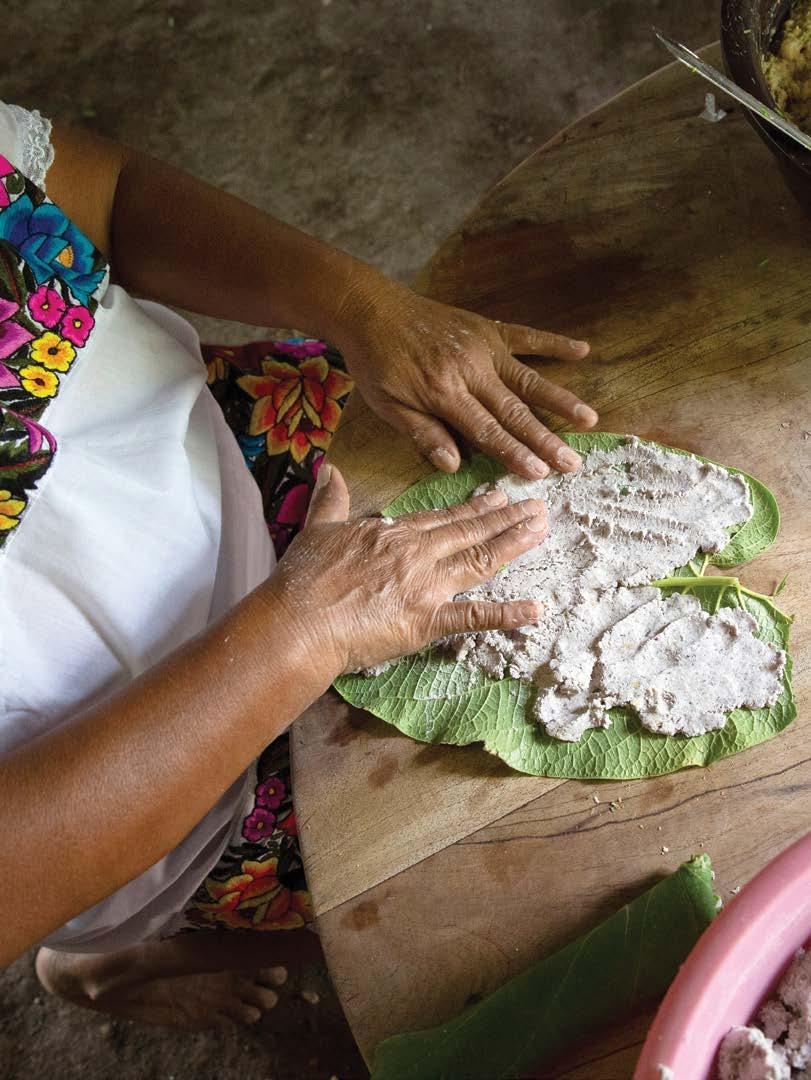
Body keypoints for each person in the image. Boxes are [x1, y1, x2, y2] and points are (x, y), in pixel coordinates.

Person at [0, 102, 597, 1028]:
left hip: (244, 442)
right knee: (438, 893)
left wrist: (359, 305)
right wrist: (303, 630)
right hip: (143, 773)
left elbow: (105, 197)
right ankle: (107, 961)